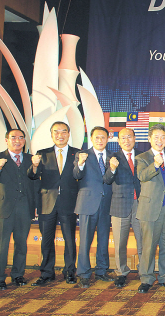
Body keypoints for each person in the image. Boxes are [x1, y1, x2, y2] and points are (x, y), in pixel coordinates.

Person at [29, 121, 80, 286]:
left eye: (63, 131)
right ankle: (47, 273)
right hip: (47, 203)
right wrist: (34, 166)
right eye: (56, 132)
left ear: (69, 134)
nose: (60, 135)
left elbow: (80, 178)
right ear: (51, 135)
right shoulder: (42, 154)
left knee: (69, 240)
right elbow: (33, 176)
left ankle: (70, 272)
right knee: (47, 240)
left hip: (69, 202)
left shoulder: (78, 153)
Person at [0, 129, 35, 290]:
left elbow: (34, 183)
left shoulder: (30, 159)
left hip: (24, 208)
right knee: (0, 245)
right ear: (6, 140)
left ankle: (18, 274)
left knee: (21, 244)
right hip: (3, 209)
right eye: (13, 138)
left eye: (21, 138)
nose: (17, 141)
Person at [134, 124, 165, 293]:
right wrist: (154, 165)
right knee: (148, 247)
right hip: (150, 209)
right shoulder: (142, 158)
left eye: (163, 137)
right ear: (149, 139)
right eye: (156, 137)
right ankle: (146, 279)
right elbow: (142, 176)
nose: (160, 140)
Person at [73, 126, 114, 288]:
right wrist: (81, 164)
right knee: (85, 241)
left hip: (106, 204)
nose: (100, 140)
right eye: (97, 137)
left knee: (103, 240)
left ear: (108, 139)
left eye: (103, 138)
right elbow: (76, 175)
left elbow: (110, 179)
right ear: (91, 139)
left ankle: (102, 270)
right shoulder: (82, 155)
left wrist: (113, 168)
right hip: (87, 204)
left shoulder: (112, 157)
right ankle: (83, 273)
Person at [104, 128, 143, 288]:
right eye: (123, 138)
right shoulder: (112, 157)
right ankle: (121, 272)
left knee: (143, 241)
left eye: (129, 137)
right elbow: (107, 179)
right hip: (120, 205)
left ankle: (144, 270)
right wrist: (112, 168)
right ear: (118, 141)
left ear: (135, 139)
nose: (126, 140)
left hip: (140, 204)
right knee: (120, 242)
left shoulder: (143, 155)